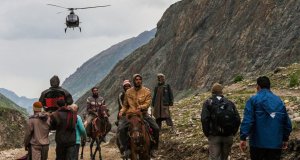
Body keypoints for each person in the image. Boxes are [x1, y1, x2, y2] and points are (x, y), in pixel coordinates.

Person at [239, 76, 292, 160]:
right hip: (275, 144)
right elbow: (287, 123)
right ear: (269, 86)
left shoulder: (253, 100)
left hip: (257, 144)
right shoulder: (279, 101)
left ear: (258, 87)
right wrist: (285, 138)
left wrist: (243, 137)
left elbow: (248, 120)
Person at [118, 74, 160, 158]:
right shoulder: (128, 92)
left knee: (156, 128)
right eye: (136, 79)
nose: (138, 81)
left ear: (141, 80)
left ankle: (154, 148)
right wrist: (121, 111)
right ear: (134, 81)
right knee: (121, 128)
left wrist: (141, 107)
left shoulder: (146, 91)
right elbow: (125, 105)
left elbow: (148, 102)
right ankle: (126, 149)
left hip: (143, 114)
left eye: (139, 79)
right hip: (131, 115)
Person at [201, 83, 241, 160]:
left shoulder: (208, 103)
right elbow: (238, 119)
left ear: (212, 92)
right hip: (228, 136)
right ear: (222, 92)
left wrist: (208, 134)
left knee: (214, 158)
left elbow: (204, 119)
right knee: (224, 158)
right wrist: (233, 133)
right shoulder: (229, 103)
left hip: (214, 136)